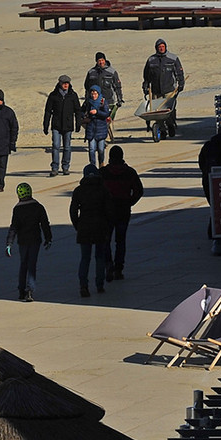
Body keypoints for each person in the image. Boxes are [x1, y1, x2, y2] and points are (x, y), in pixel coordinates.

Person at [69, 163, 115, 297]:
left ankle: (83, 285)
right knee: (99, 257)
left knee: (85, 258)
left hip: (84, 226)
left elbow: (73, 210)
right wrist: (108, 225)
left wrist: (77, 225)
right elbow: (109, 210)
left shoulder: (79, 190)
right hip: (100, 226)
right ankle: (99, 284)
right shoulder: (103, 190)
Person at [101, 145, 144, 281]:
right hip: (123, 210)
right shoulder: (130, 172)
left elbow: (98, 191)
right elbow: (139, 191)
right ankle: (119, 268)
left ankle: (108, 263)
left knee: (105, 240)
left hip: (107, 211)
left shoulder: (102, 173)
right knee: (121, 241)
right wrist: (130, 202)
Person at [6, 183, 52, 302]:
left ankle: (21, 290)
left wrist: (9, 243)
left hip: (23, 241)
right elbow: (45, 224)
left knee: (23, 264)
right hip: (35, 240)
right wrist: (48, 238)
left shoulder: (17, 209)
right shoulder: (38, 207)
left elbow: (14, 227)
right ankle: (30, 290)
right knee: (32, 265)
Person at [142, 39, 185, 138]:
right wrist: (145, 86)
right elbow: (146, 76)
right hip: (156, 90)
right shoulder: (151, 60)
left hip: (169, 90)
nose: (161, 48)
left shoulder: (173, 58)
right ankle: (162, 129)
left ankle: (170, 125)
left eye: (163, 46)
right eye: (159, 47)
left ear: (165, 47)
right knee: (157, 112)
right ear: (156, 48)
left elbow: (179, 72)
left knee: (169, 110)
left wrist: (181, 84)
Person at [42, 74, 83, 176]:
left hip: (68, 125)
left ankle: (65, 167)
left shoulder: (73, 95)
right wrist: (45, 125)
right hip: (56, 125)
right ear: (59, 83)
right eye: (64, 83)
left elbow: (78, 110)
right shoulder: (53, 95)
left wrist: (78, 124)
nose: (66, 85)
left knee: (67, 147)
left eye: (67, 83)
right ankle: (55, 168)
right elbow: (48, 111)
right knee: (55, 146)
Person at [84, 52, 123, 118]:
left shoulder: (111, 72)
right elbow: (87, 87)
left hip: (108, 100)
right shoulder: (91, 72)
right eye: (99, 60)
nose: (101, 62)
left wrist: (120, 99)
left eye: (102, 60)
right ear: (96, 61)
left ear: (105, 60)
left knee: (108, 119)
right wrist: (87, 99)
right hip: (94, 101)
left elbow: (117, 87)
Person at [82, 86, 112, 167]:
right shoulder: (87, 102)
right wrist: (85, 116)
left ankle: (101, 164)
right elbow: (81, 111)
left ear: (98, 94)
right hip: (91, 129)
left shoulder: (103, 102)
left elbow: (106, 114)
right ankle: (92, 165)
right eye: (92, 94)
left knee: (101, 150)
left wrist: (97, 112)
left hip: (101, 129)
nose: (93, 95)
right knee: (91, 149)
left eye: (95, 94)